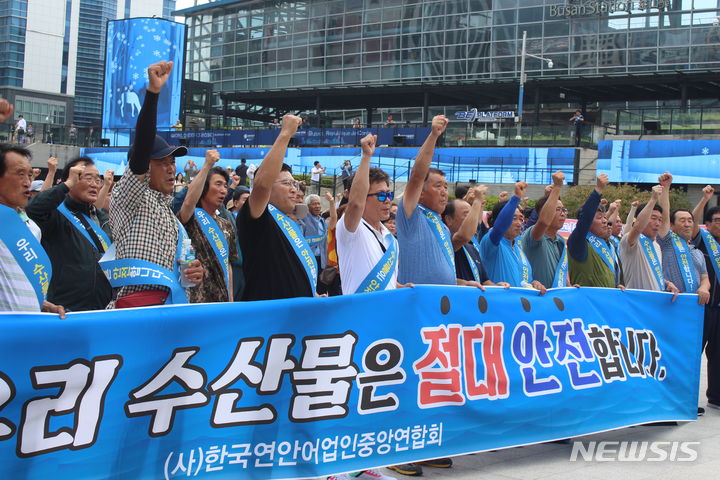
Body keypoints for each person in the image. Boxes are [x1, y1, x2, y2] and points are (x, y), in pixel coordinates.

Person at [108, 60, 204, 308]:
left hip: (172, 306)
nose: (172, 168)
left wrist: (193, 273)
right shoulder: (130, 196)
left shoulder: (168, 212)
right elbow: (142, 145)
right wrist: (153, 93)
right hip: (137, 308)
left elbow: (182, 269)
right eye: (162, 162)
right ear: (143, 167)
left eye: (173, 162)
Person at [392, 114, 455, 476]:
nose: (444, 190)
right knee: (408, 381)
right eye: (438, 185)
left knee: (433, 384)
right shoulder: (410, 213)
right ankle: (398, 451)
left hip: (441, 316)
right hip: (414, 315)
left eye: (447, 186)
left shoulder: (439, 224)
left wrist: (469, 285)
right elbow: (416, 174)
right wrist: (433, 135)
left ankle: (425, 445)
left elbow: (441, 271)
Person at [236, 114, 315, 301]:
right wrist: (286, 133)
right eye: (287, 183)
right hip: (268, 322)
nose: (294, 190)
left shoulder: (288, 223)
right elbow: (262, 184)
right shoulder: (258, 216)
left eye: (295, 184)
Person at [25, 157, 113, 311]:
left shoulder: (102, 219)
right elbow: (33, 210)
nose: (94, 184)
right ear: (70, 181)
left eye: (97, 180)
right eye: (87, 178)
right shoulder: (56, 215)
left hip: (101, 311)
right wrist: (65, 186)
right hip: (64, 311)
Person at [0, 138, 64, 316]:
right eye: (20, 174)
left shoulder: (31, 228)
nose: (28, 182)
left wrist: (41, 303)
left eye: (29, 175)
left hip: (25, 333)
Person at [336, 134, 404, 295]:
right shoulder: (351, 228)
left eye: (389, 194)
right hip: (360, 315)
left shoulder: (389, 236)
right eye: (381, 195)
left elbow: (386, 280)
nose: (387, 200)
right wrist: (366, 156)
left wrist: (400, 287)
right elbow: (356, 203)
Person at [177, 150, 239, 303]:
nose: (223, 190)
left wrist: (230, 298)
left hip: (221, 302)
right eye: (218, 184)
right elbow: (189, 201)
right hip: (195, 300)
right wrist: (207, 165)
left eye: (225, 185)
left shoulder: (226, 224)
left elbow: (229, 264)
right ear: (203, 188)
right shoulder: (191, 218)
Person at [479, 181, 547, 292]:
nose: (519, 223)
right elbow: (500, 226)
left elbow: (524, 281)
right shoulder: (491, 242)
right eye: (513, 218)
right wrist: (516, 197)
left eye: (521, 219)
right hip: (497, 306)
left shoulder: (517, 246)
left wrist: (534, 283)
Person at [655, 173, 710, 305]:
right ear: (672, 226)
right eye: (682, 221)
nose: (687, 224)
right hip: (669, 302)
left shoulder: (698, 252)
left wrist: (704, 287)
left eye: (690, 221)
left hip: (692, 306)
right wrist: (666, 187)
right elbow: (665, 214)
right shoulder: (667, 241)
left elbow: (705, 277)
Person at [442, 187, 509, 288]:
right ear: (449, 219)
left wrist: (497, 286)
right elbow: (463, 236)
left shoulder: (472, 248)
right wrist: (477, 200)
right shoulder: (446, 242)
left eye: (472, 213)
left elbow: (484, 281)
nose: (472, 218)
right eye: (467, 214)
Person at [619, 183, 678, 296]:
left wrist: (666, 283)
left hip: (654, 302)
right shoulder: (631, 241)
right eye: (653, 218)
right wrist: (653, 199)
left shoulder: (656, 245)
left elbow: (652, 274)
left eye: (660, 220)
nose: (657, 223)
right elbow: (638, 226)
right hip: (635, 302)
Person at [692, 185, 720, 410]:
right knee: (693, 353)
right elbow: (691, 222)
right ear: (708, 225)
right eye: (717, 220)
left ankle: (716, 396)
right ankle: (687, 398)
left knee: (719, 356)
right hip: (704, 308)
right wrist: (704, 199)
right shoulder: (703, 241)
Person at [567, 174, 621, 288]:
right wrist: (598, 190)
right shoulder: (579, 243)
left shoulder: (609, 245)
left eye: (605, 217)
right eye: (599, 217)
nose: (605, 221)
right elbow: (585, 217)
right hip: (587, 303)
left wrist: (617, 287)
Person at [521, 171, 569, 288]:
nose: (563, 214)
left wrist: (570, 287)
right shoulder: (534, 235)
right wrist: (557, 187)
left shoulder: (560, 241)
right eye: (557, 209)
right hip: (537, 299)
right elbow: (543, 222)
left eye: (564, 210)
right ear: (542, 213)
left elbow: (560, 274)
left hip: (557, 300)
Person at [302, 194, 328, 279]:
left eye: (319, 204)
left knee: (321, 288)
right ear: (308, 206)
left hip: (321, 259)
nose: (317, 206)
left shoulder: (322, 221)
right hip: (308, 259)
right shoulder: (303, 219)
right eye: (314, 204)